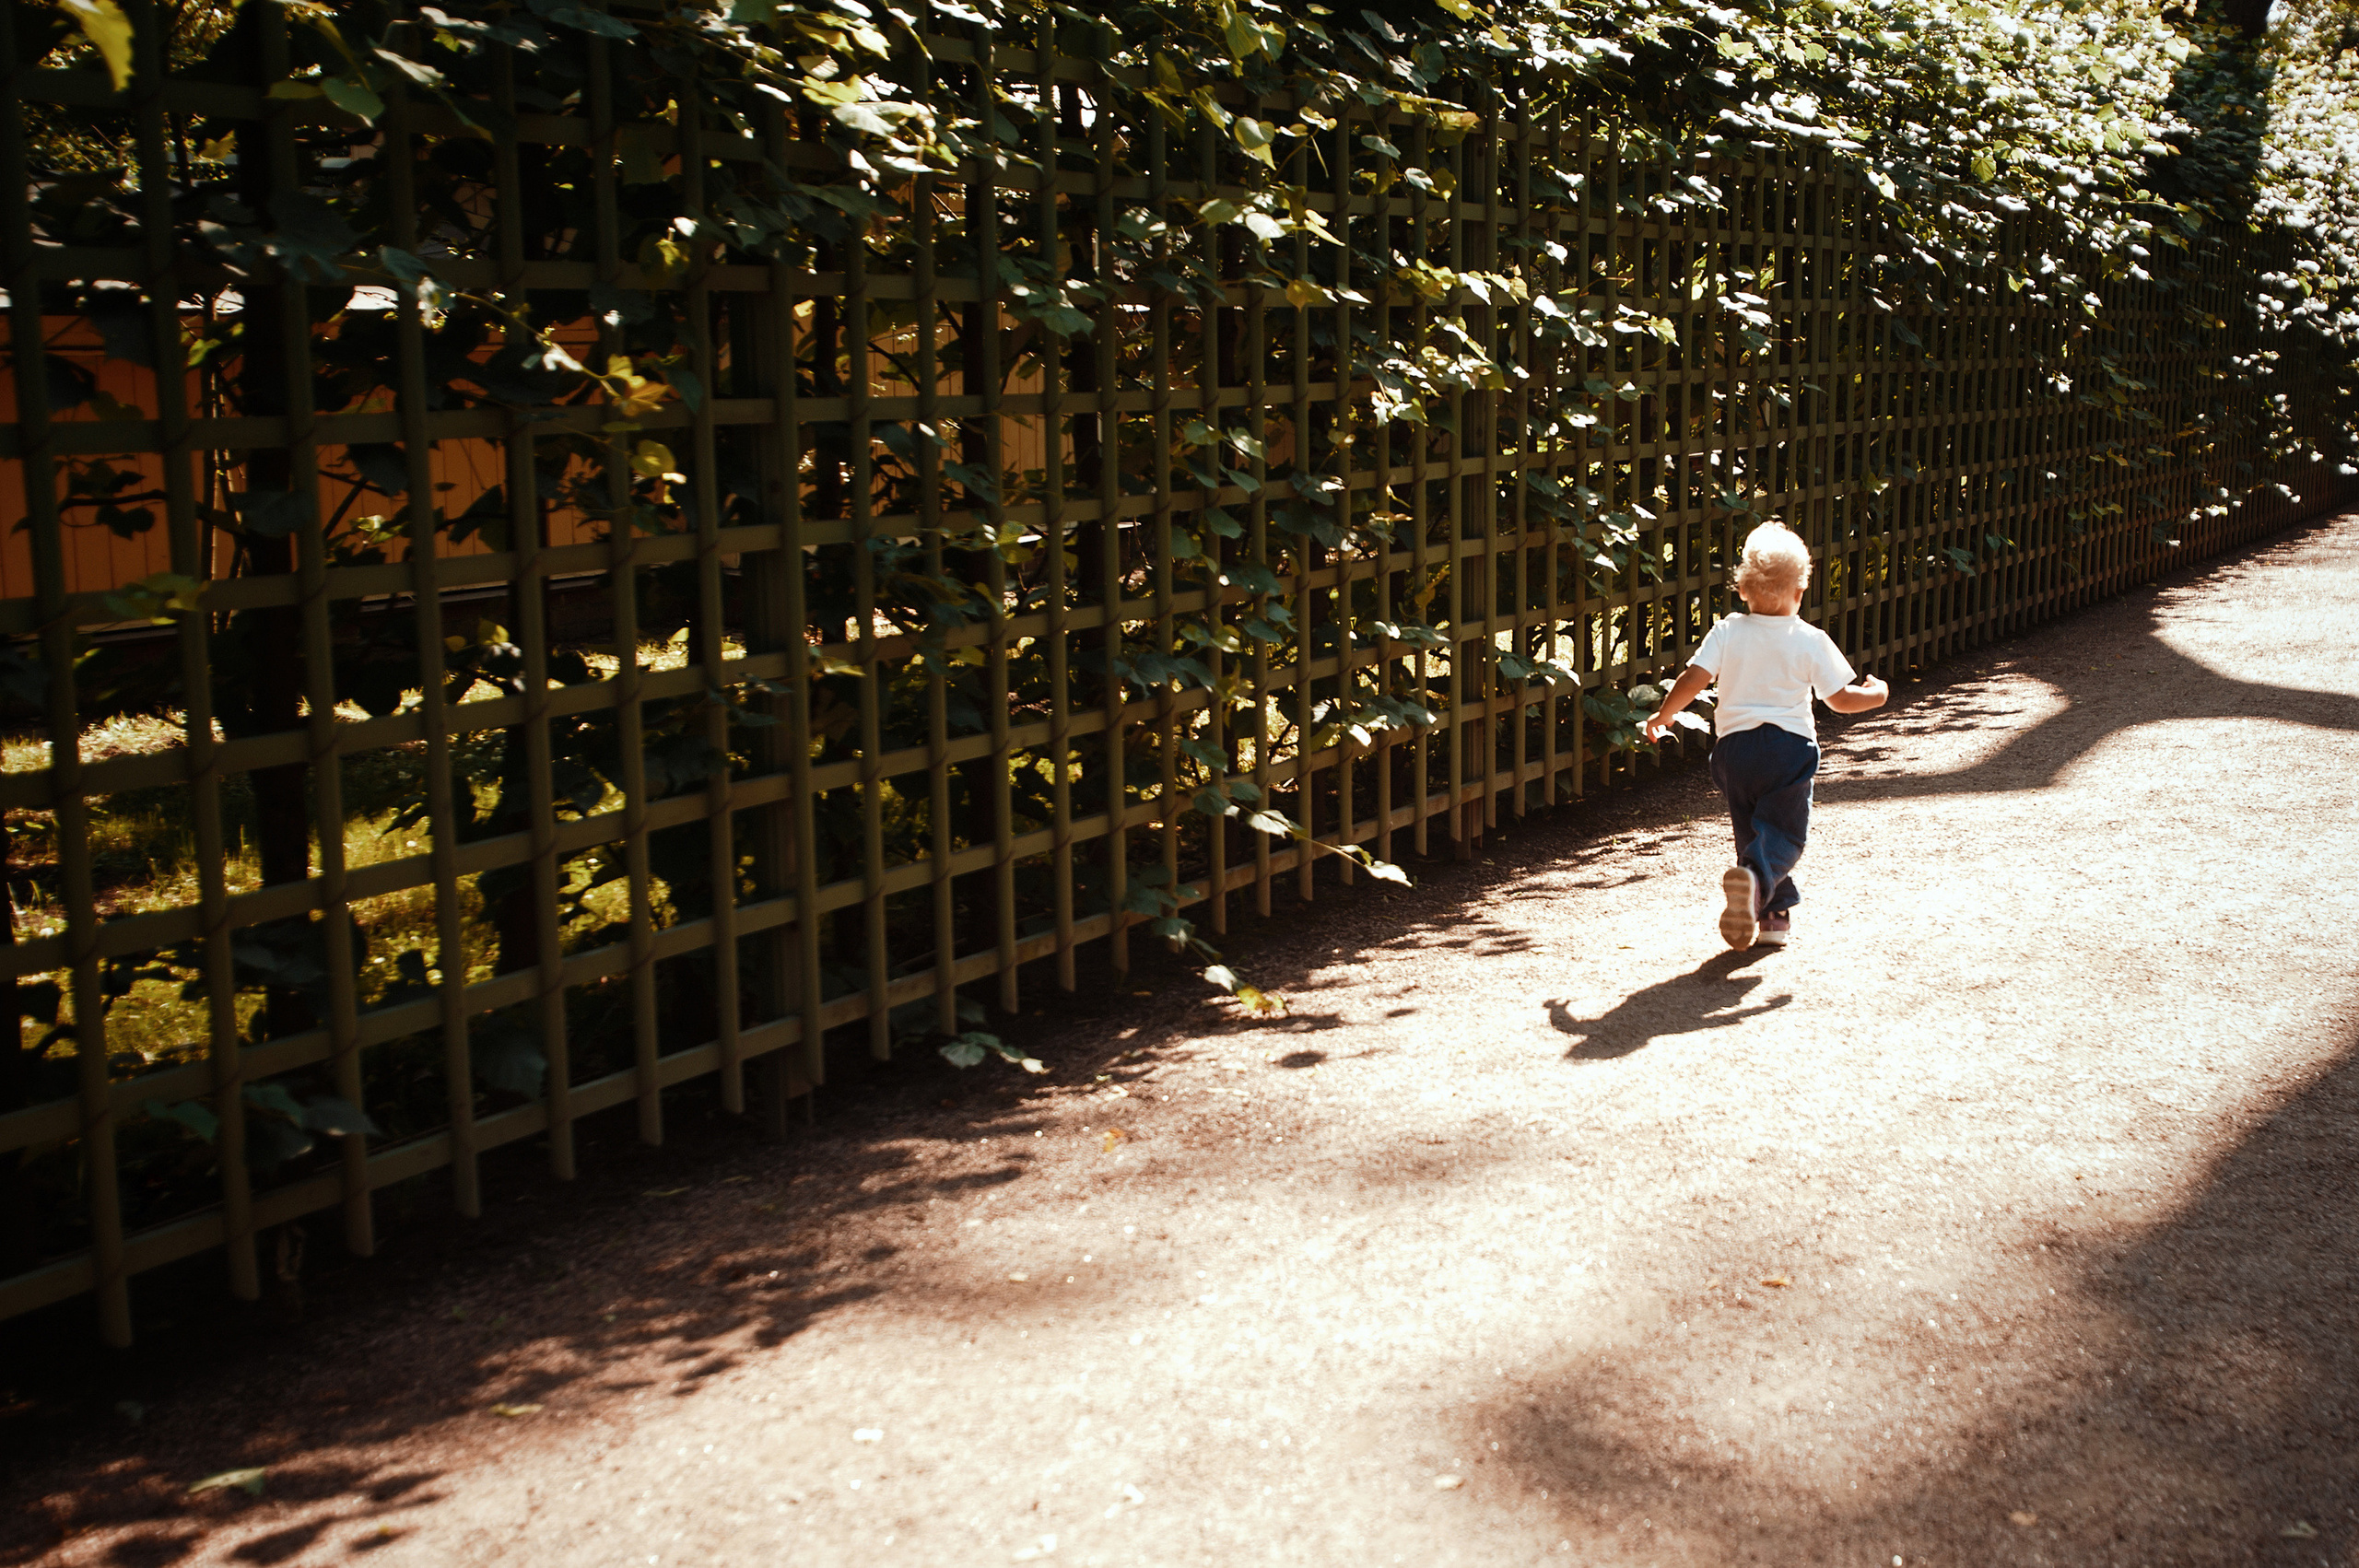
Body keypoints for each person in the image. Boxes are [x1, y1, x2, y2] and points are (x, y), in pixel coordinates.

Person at [1640, 521, 1888, 950]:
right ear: (1800, 591)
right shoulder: (1810, 639)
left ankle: (1773, 917)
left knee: (1755, 835)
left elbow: (1693, 677)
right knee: (1785, 835)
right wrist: (1877, 694)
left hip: (1734, 753)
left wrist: (1665, 714)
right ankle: (1756, 883)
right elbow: (1840, 700)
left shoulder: (1727, 631)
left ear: (1743, 589)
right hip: (1787, 750)